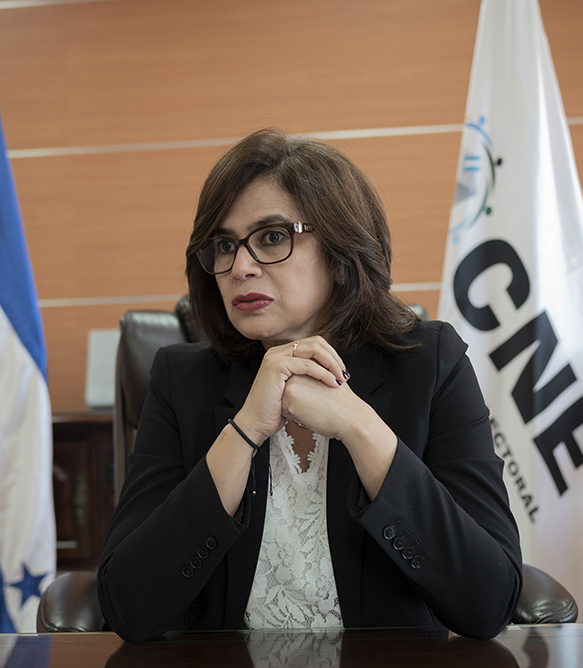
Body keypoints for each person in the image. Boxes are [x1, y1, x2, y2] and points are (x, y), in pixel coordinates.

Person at [97, 128, 522, 643]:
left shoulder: (429, 364)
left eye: (272, 237)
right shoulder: (180, 380)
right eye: (224, 245)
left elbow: (489, 600)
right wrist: (245, 430)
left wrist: (362, 427)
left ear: (341, 250)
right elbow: (127, 607)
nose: (240, 267)